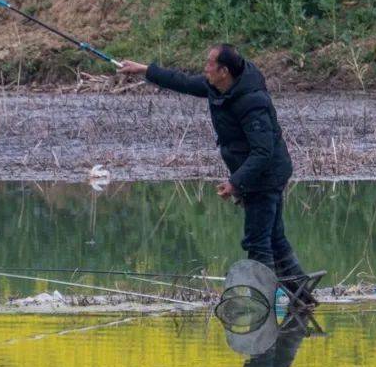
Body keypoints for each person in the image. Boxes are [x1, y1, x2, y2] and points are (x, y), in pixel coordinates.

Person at [117, 44, 311, 295]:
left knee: (257, 241)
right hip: (255, 174)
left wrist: (235, 183)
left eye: (210, 63)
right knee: (274, 237)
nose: (205, 67)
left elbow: (263, 152)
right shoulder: (217, 86)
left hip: (265, 176)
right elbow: (183, 82)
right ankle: (300, 294)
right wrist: (143, 69)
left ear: (224, 71)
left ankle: (265, 299)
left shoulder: (252, 101)